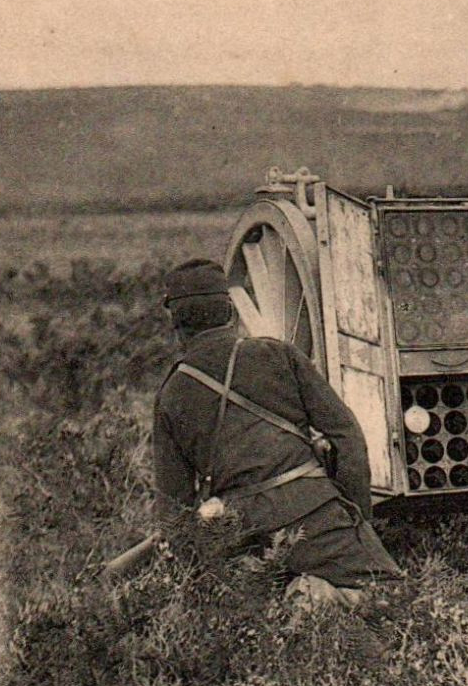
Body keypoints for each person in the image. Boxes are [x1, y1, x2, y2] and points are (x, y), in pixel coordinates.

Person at [151, 259, 402, 608]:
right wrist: (353, 517)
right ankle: (318, 596)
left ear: (176, 324)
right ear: (229, 312)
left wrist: (200, 580)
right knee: (389, 603)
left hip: (241, 535)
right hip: (317, 515)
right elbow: (347, 438)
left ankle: (297, 602)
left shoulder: (172, 393)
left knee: (256, 623)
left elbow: (174, 509)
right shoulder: (277, 354)